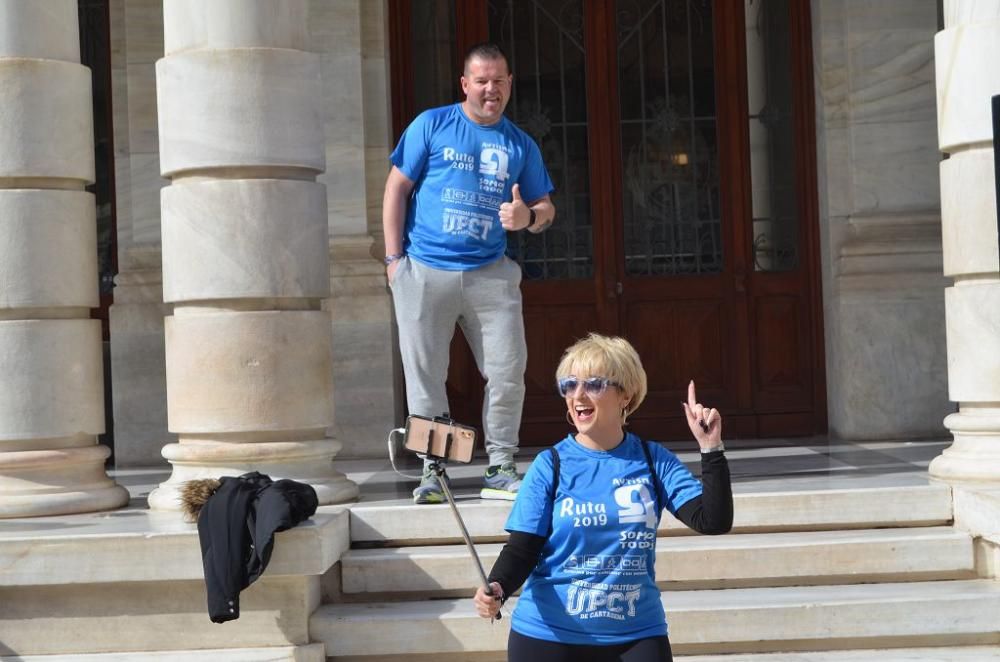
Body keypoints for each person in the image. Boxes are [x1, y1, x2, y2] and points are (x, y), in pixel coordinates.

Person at [473, 334, 733, 661]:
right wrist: (497, 586)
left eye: (594, 384)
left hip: (636, 636)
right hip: (550, 635)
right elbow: (523, 548)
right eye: (569, 385)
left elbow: (713, 521)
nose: (578, 395)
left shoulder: (654, 461)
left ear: (626, 394)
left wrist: (711, 450)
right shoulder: (549, 465)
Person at [383, 42, 556, 504]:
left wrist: (529, 219)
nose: (490, 89)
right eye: (481, 80)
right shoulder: (432, 124)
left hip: (490, 274)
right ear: (465, 84)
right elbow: (396, 188)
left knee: (507, 370)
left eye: (499, 81)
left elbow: (545, 207)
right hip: (425, 269)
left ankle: (500, 466)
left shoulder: (520, 143)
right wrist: (394, 261)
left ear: (510, 84)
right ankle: (433, 471)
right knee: (425, 375)